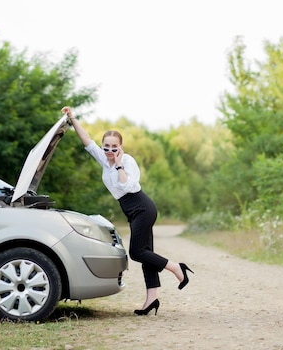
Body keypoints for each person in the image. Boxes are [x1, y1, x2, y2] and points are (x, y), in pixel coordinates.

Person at [61, 106, 194, 316]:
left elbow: (127, 185)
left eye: (114, 147)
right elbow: (87, 140)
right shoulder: (104, 159)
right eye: (107, 147)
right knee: (146, 254)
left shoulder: (127, 161)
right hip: (132, 211)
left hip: (142, 207)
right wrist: (72, 119)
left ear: (121, 147)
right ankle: (152, 299)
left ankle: (177, 267)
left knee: (137, 252)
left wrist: (120, 164)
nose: (110, 151)